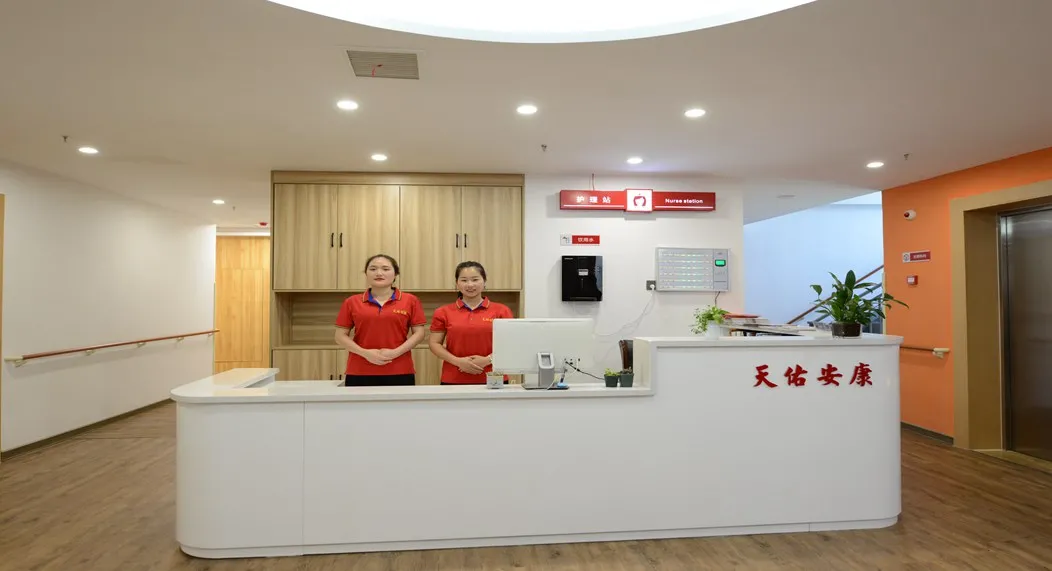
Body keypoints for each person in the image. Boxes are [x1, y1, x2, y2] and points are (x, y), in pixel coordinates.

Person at [334, 254, 426, 386]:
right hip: (360, 370)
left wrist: (394, 353)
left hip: (399, 369)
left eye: (385, 269)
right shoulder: (352, 302)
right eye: (373, 269)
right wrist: (365, 353)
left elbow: (419, 333)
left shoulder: (410, 300)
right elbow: (339, 336)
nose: (379, 273)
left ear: (395, 274)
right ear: (366, 273)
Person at [429, 261, 514, 385]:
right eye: (464, 280)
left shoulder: (502, 310)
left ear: (484, 281)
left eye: (475, 279)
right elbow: (434, 343)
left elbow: (510, 343)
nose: (470, 285)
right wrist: (458, 362)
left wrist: (488, 360)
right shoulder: (443, 312)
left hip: (493, 376)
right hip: (453, 377)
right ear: (457, 283)